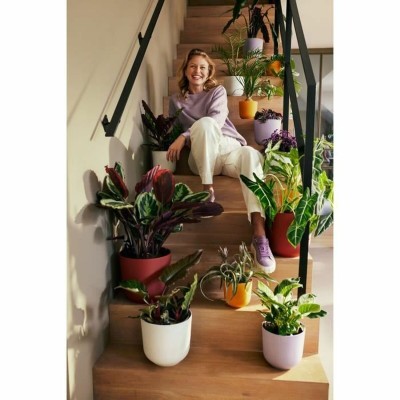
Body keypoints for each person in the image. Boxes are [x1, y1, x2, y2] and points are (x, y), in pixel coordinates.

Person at [166, 48, 276, 273]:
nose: (197, 71)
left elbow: (216, 119)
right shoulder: (175, 101)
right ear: (185, 70)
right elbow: (172, 128)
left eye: (202, 67)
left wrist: (183, 136)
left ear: (209, 72)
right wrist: (179, 139)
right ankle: (207, 192)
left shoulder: (217, 91)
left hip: (228, 149)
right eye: (193, 66)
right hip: (202, 159)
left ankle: (259, 233)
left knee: (250, 154)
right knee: (203, 125)